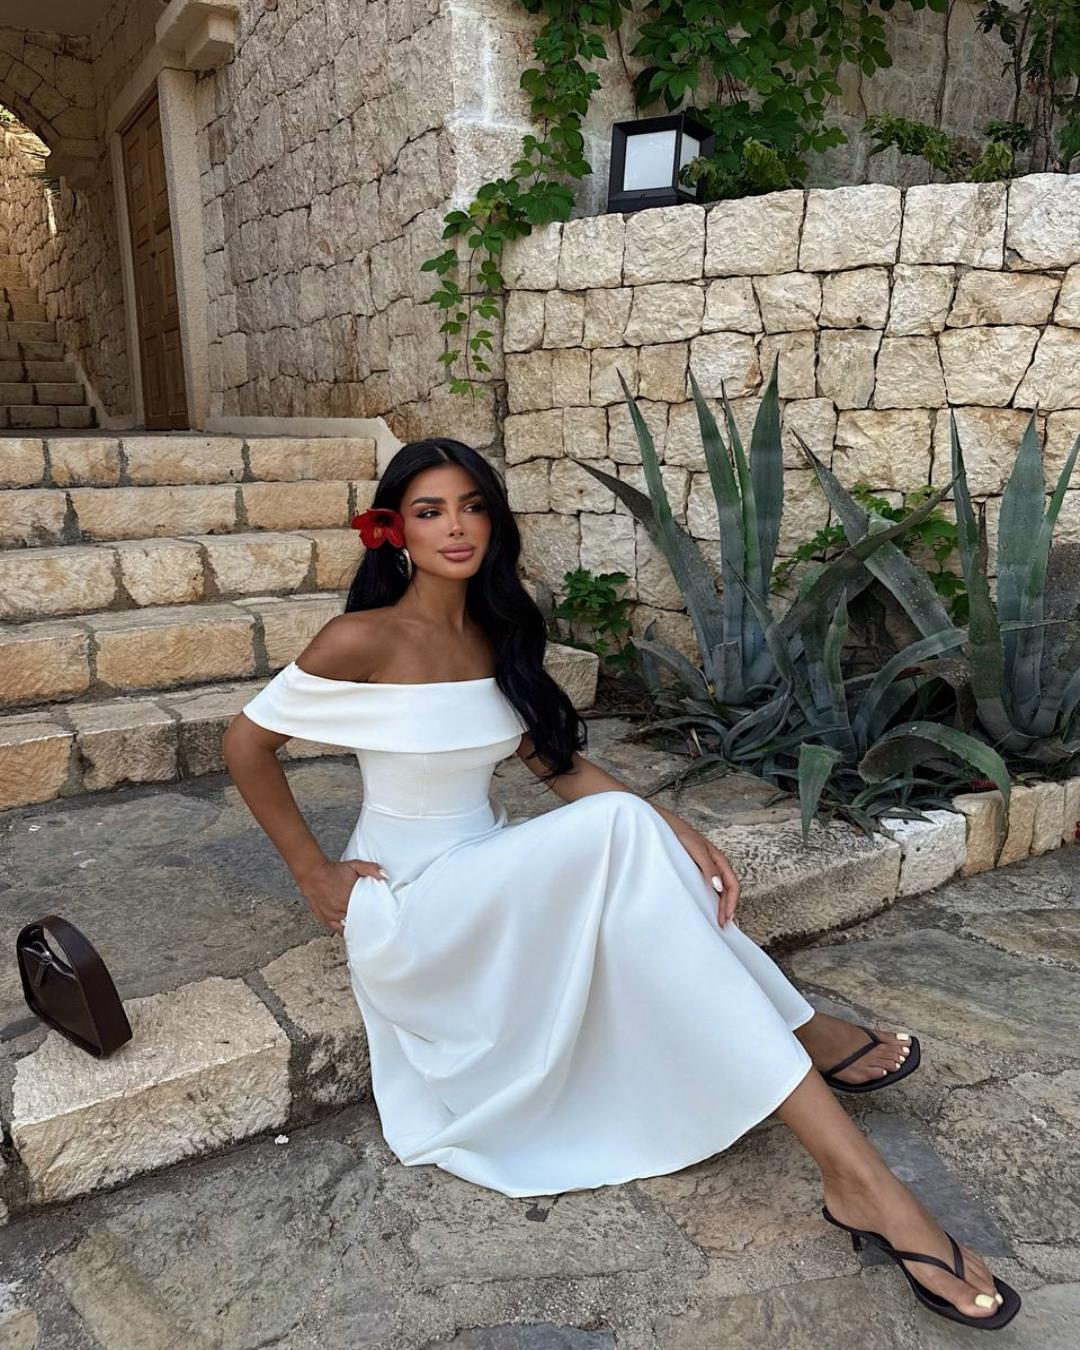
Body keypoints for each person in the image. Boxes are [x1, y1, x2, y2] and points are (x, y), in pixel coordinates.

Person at [223, 437, 1019, 1330]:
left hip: (489, 878)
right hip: (412, 908)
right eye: (430, 511)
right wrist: (313, 870)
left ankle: (840, 1134)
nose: (456, 528)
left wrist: (676, 828)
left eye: (473, 506)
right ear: (395, 530)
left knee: (636, 849)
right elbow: (245, 744)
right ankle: (848, 1145)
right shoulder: (361, 639)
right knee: (620, 834)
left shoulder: (496, 633)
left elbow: (556, 765)